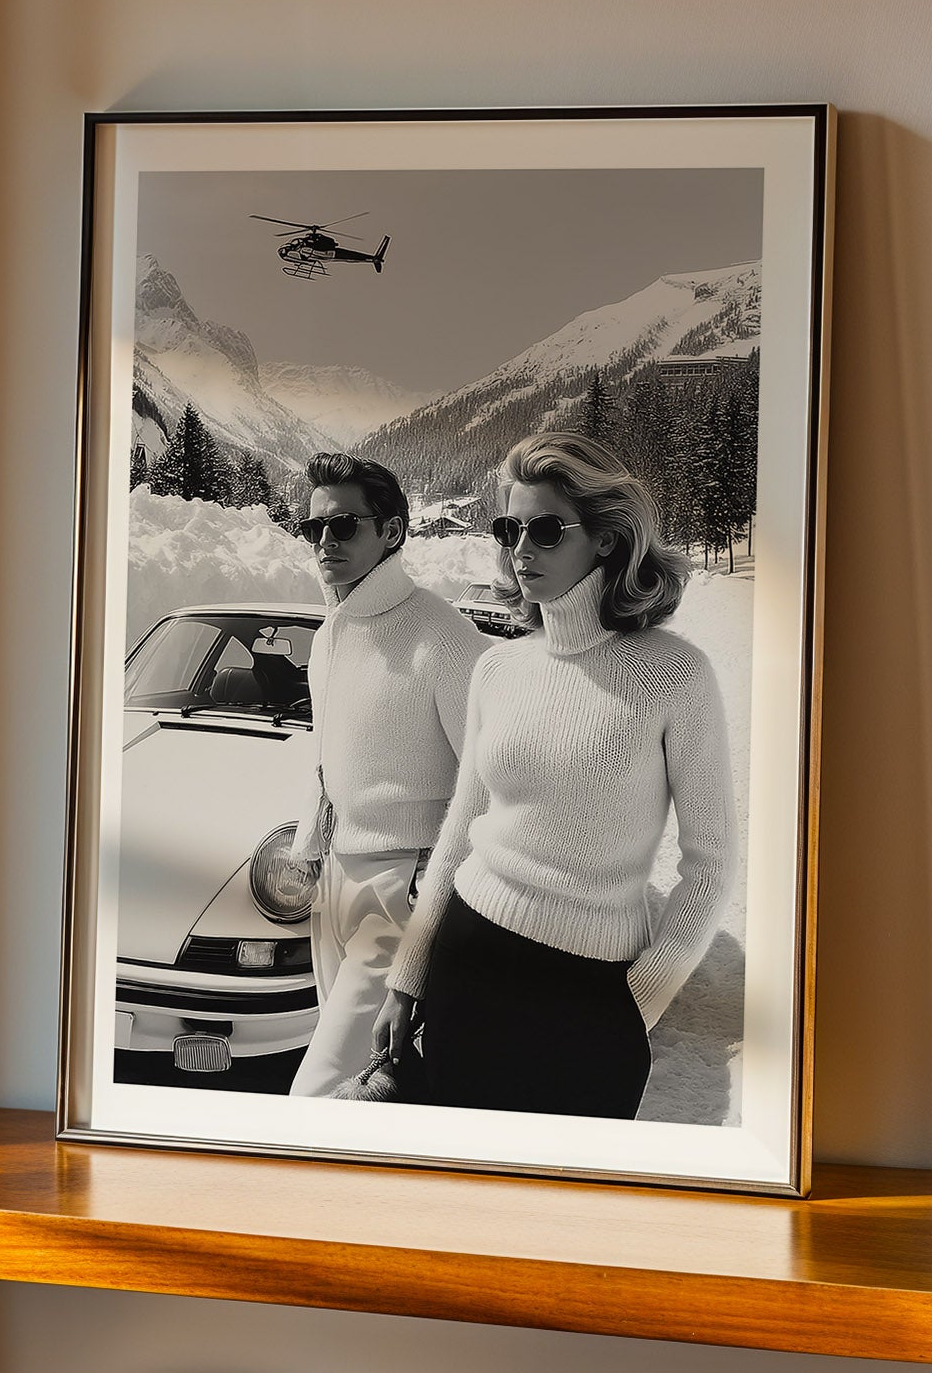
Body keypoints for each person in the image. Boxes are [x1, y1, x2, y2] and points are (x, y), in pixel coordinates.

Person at [376, 431, 738, 1119]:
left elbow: (711, 866)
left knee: (569, 1216)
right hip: (468, 960)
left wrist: (639, 1003)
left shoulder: (675, 675)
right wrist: (409, 975)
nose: (521, 550)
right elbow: (461, 832)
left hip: (591, 996)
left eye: (545, 529)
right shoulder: (498, 667)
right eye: (509, 528)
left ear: (606, 539)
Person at [285, 452, 488, 1096]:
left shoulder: (445, 637)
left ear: (392, 532)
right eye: (312, 527)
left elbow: (491, 783)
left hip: (405, 887)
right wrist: (309, 849)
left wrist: (438, 895)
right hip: (337, 880)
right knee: (362, 1090)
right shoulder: (328, 634)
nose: (324, 542)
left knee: (320, 1089)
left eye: (343, 526)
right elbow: (330, 756)